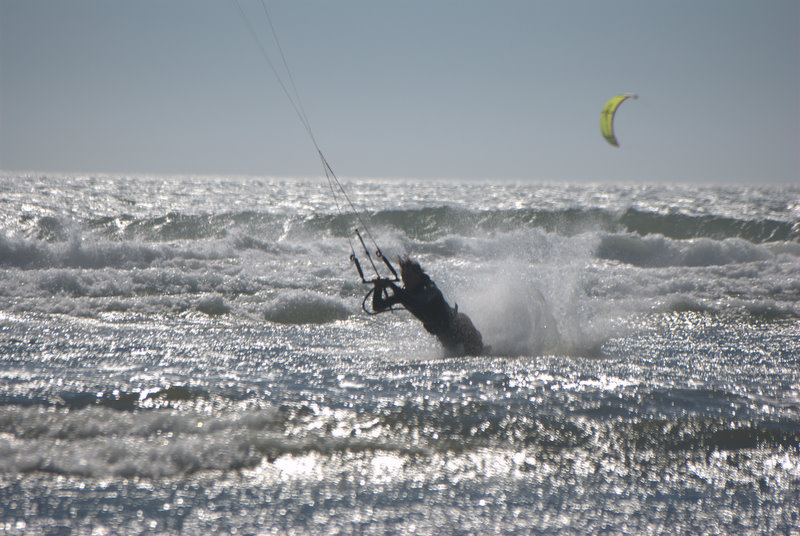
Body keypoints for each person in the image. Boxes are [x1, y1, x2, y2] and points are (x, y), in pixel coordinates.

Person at [372, 256, 487, 356]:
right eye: (404, 277)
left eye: (409, 276)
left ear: (418, 275)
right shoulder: (403, 294)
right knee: (458, 359)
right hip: (444, 335)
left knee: (479, 354)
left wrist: (392, 286)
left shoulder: (429, 288)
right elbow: (377, 306)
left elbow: (418, 302)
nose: (406, 280)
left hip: (460, 326)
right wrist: (378, 289)